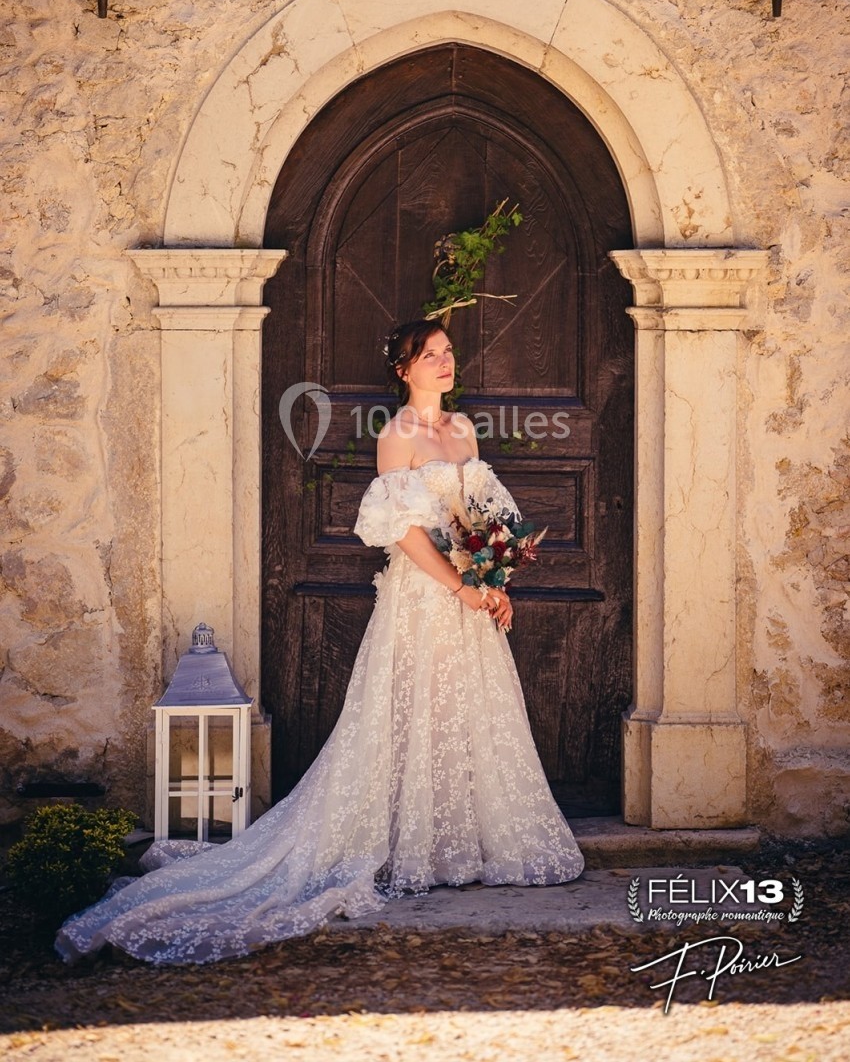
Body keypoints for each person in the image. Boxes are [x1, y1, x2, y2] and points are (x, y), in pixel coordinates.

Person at [55, 319, 583, 966]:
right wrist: (459, 587)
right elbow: (405, 533)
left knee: (462, 712)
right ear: (404, 370)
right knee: (410, 710)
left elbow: (482, 521)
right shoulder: (396, 437)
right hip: (422, 598)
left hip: (468, 598)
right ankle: (406, 847)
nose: (445, 363)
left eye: (448, 353)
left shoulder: (464, 430)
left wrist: (493, 581)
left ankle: (457, 845)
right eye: (431, 355)